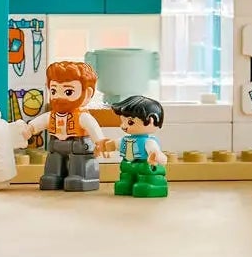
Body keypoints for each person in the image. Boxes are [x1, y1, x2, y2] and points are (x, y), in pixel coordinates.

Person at [34, 59, 102, 191]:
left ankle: (79, 176)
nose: (59, 97)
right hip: (56, 145)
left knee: (79, 161)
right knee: (54, 158)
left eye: (68, 92)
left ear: (87, 94)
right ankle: (53, 175)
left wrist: (100, 142)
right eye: (54, 91)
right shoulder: (52, 115)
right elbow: (39, 122)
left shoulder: (82, 116)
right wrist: (29, 128)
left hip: (78, 146)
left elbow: (93, 127)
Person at [112, 95, 168, 198]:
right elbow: (114, 145)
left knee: (145, 177)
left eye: (130, 122)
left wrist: (156, 156)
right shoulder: (125, 139)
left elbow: (154, 151)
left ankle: (147, 184)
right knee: (126, 176)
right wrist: (105, 145)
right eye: (122, 121)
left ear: (150, 120)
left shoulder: (149, 142)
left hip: (144, 166)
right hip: (128, 165)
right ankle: (127, 183)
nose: (124, 126)